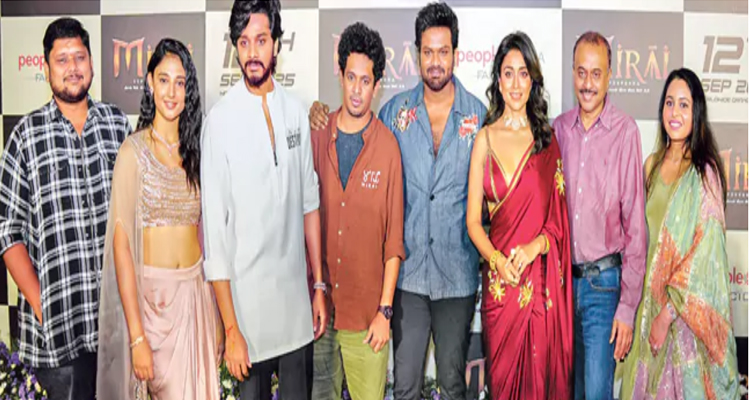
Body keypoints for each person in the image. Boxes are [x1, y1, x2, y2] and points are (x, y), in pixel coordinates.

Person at [310, 3, 486, 398]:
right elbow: (353, 125)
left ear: (456, 54)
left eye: (443, 52)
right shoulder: (394, 113)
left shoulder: (478, 117)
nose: (436, 62)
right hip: (408, 279)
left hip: (457, 277)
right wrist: (318, 113)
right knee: (405, 386)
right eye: (428, 52)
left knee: (453, 385)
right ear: (417, 54)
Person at [0, 17, 130, 400]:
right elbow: (7, 230)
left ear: (92, 63)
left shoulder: (117, 126)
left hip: (113, 329)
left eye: (79, 57)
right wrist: (42, 304)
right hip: (56, 337)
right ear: (46, 69)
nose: (72, 67)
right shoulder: (25, 136)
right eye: (62, 59)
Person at [201, 0, 326, 398]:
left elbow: (309, 205)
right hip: (246, 321)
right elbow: (215, 239)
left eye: (260, 40)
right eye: (243, 42)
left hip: (296, 314)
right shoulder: (219, 122)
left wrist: (319, 285)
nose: (252, 52)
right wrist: (231, 329)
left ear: (276, 43)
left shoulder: (295, 112)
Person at [96, 38, 221, 400]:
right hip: (153, 311)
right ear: (150, 82)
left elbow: (207, 236)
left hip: (196, 298)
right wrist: (137, 336)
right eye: (163, 80)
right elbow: (121, 246)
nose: (171, 92)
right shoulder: (132, 152)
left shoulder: (197, 151)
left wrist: (216, 317)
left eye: (180, 83)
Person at [619, 68, 740, 400]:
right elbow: (638, 241)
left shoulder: (704, 173)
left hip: (684, 322)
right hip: (647, 309)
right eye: (669, 103)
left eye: (684, 105)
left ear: (696, 112)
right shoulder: (651, 166)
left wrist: (668, 313)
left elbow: (706, 255)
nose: (675, 112)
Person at [466, 31, 572, 400]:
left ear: (533, 81)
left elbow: (558, 223)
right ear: (498, 80)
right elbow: (472, 222)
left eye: (523, 73)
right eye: (508, 73)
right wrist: (497, 260)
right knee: (502, 386)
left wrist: (534, 247)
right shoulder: (484, 139)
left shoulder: (547, 142)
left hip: (538, 286)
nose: (515, 84)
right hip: (501, 289)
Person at [310, 22, 404, 400]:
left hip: (367, 320)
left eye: (365, 81)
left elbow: (394, 241)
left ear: (377, 85)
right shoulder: (318, 134)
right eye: (351, 77)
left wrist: (385, 312)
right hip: (320, 312)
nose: (356, 90)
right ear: (340, 74)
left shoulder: (388, 148)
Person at [552, 31, 647, 400]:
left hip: (603, 288)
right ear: (572, 74)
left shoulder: (625, 132)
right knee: (569, 391)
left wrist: (627, 307)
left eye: (596, 74)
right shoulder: (559, 129)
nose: (587, 84)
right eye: (581, 73)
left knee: (595, 393)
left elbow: (635, 228)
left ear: (609, 76)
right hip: (562, 287)